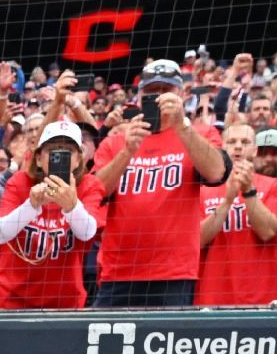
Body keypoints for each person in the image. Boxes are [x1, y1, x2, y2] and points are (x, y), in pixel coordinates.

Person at [90, 60, 230, 307]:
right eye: (152, 90)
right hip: (119, 269)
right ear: (141, 94)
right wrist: (126, 151)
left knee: (164, 343)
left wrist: (181, 125)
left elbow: (217, 172)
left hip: (173, 271)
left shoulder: (200, 134)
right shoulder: (117, 141)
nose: (159, 96)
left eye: (167, 89)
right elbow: (94, 192)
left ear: (182, 94)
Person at [0, 121, 104, 309]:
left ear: (78, 160)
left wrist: (71, 206)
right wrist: (32, 205)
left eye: (68, 150)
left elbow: (87, 233)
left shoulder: (89, 185)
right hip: (14, 299)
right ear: (38, 158)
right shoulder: (20, 182)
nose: (58, 155)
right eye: (51, 150)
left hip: (65, 301)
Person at [196, 124, 277, 306]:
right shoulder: (203, 190)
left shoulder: (276, 185)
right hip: (214, 293)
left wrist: (248, 191)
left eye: (245, 142)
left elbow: (267, 231)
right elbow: (199, 239)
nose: (239, 146)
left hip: (265, 293)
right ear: (222, 147)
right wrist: (227, 201)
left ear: (255, 150)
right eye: (232, 142)